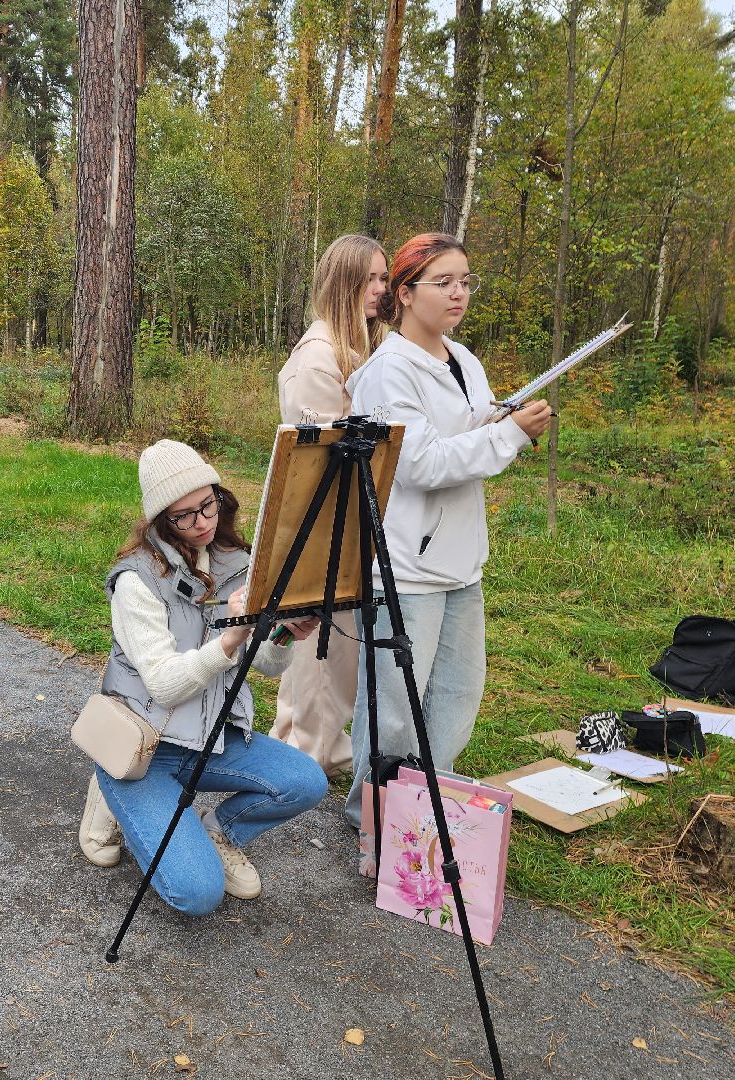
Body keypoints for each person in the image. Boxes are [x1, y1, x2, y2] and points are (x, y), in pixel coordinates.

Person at [342, 233, 551, 828]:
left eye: (465, 281)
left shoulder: (464, 360)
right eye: (444, 282)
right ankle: (372, 817)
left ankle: (425, 807)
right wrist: (509, 436)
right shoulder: (387, 373)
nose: (459, 293)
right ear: (405, 294)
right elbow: (421, 464)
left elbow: (466, 428)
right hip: (405, 568)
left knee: (457, 695)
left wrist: (500, 419)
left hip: (462, 562)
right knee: (393, 706)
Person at [78, 440, 329, 915]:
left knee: (305, 781)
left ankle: (217, 832)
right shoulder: (136, 581)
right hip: (144, 747)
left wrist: (283, 637)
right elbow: (164, 685)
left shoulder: (239, 563)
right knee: (197, 894)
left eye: (208, 504)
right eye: (184, 516)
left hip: (211, 737)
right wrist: (231, 639)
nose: (202, 522)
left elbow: (267, 665)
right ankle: (111, 790)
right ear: (160, 521)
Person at [271, 234, 389, 778]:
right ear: (344, 284)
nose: (381, 289)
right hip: (323, 524)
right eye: (371, 279)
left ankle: (323, 743)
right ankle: (302, 749)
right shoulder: (317, 360)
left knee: (342, 646)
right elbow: (315, 461)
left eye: (384, 278)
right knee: (319, 643)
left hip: (354, 519)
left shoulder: (358, 350)